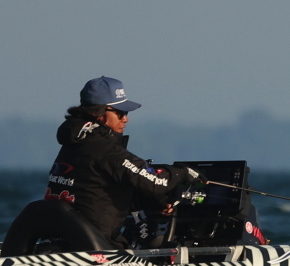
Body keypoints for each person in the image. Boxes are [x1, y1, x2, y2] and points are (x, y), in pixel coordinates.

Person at [44, 76, 208, 247]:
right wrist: (182, 173)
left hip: (63, 239)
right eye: (120, 113)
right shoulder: (105, 150)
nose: (125, 119)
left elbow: (95, 192)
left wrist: (155, 202)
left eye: (126, 113)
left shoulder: (74, 143)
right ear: (97, 113)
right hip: (97, 246)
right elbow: (156, 182)